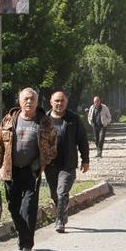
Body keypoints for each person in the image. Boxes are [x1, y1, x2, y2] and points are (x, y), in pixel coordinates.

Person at [0, 88, 57, 251]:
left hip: (31, 172)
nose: (29, 102)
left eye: (32, 99)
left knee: (28, 207)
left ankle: (27, 244)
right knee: (13, 207)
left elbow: (52, 148)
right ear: (19, 102)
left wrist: (40, 163)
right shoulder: (8, 119)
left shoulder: (45, 122)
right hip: (10, 171)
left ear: (37, 101)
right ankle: (23, 235)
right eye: (26, 99)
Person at [45, 91, 89, 233]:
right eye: (56, 101)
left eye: (62, 100)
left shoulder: (73, 119)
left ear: (66, 102)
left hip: (68, 163)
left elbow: (82, 139)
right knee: (54, 194)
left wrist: (85, 159)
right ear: (51, 102)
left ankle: (59, 221)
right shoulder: (44, 119)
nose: (59, 103)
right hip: (50, 164)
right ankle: (63, 214)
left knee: (62, 191)